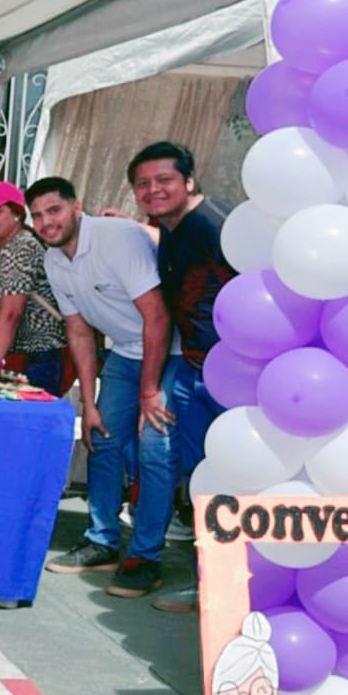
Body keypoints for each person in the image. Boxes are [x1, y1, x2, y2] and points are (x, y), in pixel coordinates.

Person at [28, 176, 177, 600]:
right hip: (125, 354)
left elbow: (158, 318)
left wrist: (149, 390)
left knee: (154, 449)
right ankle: (102, 542)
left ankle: (145, 557)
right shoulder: (54, 259)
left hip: (172, 351)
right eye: (37, 216)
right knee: (103, 438)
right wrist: (89, 402)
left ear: (77, 206)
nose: (46, 222)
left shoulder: (117, 237)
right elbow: (78, 331)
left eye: (54, 210)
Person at [128, 142, 237, 612]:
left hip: (234, 375)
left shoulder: (216, 224)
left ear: (189, 181)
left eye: (164, 180)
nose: (153, 190)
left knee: (231, 478)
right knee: (202, 478)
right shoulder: (172, 229)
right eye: (143, 183)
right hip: (195, 368)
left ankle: (229, 589)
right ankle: (208, 584)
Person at [0, 181, 67, 394]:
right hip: (24, 356)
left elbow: (11, 313)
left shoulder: (20, 247)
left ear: (17, 213)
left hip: (41, 357)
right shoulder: (0, 247)